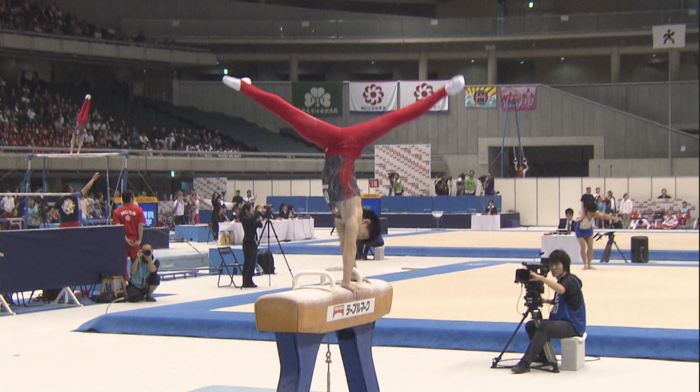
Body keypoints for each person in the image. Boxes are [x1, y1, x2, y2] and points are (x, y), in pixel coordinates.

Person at [223, 73, 465, 297]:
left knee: (291, 115)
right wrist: (347, 282)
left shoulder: (345, 215)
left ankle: (248, 87)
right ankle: (444, 89)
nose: (358, 238)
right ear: (365, 223)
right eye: (363, 235)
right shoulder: (354, 210)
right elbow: (350, 247)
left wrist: (355, 274)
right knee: (396, 117)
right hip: (351, 141)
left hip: (330, 144)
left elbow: (346, 249)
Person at [511, 250, 586, 374]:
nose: (554, 268)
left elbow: (562, 290)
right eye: (552, 265)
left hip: (572, 326)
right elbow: (563, 299)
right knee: (531, 325)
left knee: (544, 327)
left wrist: (540, 278)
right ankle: (543, 356)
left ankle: (525, 363)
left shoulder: (570, 280)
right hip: (562, 322)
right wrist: (546, 301)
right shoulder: (563, 281)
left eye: (557, 264)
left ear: (565, 265)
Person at [575, 201, 619, 270]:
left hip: (588, 230)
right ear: (588, 211)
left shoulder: (595, 214)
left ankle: (589, 264)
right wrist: (579, 218)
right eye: (590, 212)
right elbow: (579, 217)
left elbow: (604, 216)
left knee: (590, 246)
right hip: (580, 230)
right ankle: (585, 264)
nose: (592, 214)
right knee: (583, 246)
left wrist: (613, 218)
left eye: (593, 212)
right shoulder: (583, 213)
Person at [112, 190, 145, 279]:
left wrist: (126, 239)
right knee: (136, 261)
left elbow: (118, 228)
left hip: (122, 240)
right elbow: (140, 225)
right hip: (134, 239)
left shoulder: (116, 212)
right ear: (131, 198)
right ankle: (135, 281)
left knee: (123, 263)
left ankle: (125, 281)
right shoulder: (138, 210)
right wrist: (139, 240)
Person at [240, 202, 263, 288]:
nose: (253, 210)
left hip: (253, 241)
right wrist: (258, 212)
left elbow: (260, 225)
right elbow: (251, 220)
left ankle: (250, 279)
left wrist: (258, 218)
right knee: (248, 262)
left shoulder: (251, 219)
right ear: (246, 211)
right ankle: (245, 280)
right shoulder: (244, 218)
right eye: (251, 209)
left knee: (253, 262)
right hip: (247, 242)